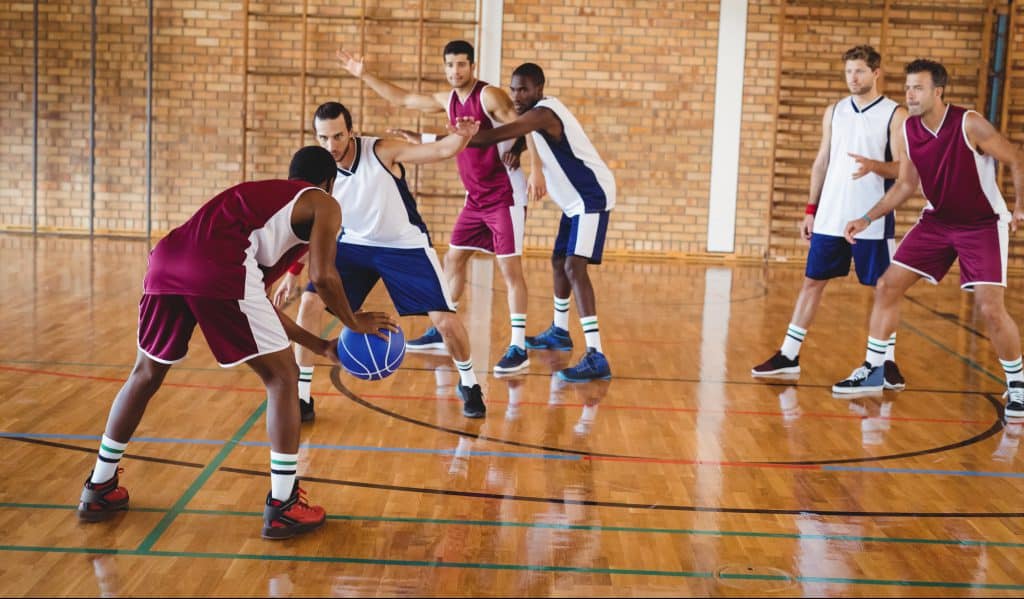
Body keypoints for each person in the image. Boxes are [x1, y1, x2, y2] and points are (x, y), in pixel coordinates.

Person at [77, 146, 396, 539]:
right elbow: (325, 277)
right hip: (216, 269)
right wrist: (353, 321)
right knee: (283, 379)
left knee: (145, 373)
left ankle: (99, 486)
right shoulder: (324, 203)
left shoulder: (265, 206)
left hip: (165, 261)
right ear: (331, 182)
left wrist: (322, 345)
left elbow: (255, 301)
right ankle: (284, 505)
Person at [337, 40, 545, 376]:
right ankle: (440, 330)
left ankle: (518, 346)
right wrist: (365, 75)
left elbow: (528, 124)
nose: (455, 71)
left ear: (473, 66)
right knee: (454, 258)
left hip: (505, 195)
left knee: (509, 272)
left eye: (462, 65)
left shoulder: (489, 95)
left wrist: (535, 167)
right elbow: (402, 98)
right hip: (474, 198)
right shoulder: (447, 100)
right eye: (450, 65)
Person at [273, 103, 488, 418]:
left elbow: (440, 150)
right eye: (323, 138)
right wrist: (292, 271)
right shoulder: (318, 171)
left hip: (404, 246)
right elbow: (310, 227)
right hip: (354, 245)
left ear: (352, 132)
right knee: (310, 304)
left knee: (445, 321)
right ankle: (302, 396)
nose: (331, 145)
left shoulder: (381, 152)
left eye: (337, 136)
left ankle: (469, 383)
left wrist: (462, 137)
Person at [833, 59, 1024, 414]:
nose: (910, 94)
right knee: (888, 285)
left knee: (989, 308)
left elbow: (1015, 157)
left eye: (918, 88)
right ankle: (875, 369)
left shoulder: (969, 123)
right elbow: (906, 184)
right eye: (907, 88)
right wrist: (866, 217)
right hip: (938, 221)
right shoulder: (908, 130)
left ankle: (1018, 385)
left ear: (938, 91)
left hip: (982, 223)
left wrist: (1020, 207)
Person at [752, 45, 908, 388]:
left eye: (860, 71)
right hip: (830, 216)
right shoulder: (835, 111)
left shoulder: (896, 115)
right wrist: (811, 209)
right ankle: (789, 354)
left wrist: (874, 167)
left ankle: (886, 362)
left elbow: (903, 169)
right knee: (812, 282)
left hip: (872, 216)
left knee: (884, 290)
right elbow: (822, 161)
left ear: (876, 73)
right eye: (849, 71)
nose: (853, 77)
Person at [467, 62, 615, 383]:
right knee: (558, 261)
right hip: (573, 201)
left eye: (524, 89)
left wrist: (464, 134)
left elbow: (501, 133)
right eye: (513, 89)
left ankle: (596, 355)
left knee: (575, 267)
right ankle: (560, 333)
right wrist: (519, 151)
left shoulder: (543, 112)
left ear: (539, 89)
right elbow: (524, 134)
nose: (517, 95)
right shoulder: (536, 116)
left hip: (591, 196)